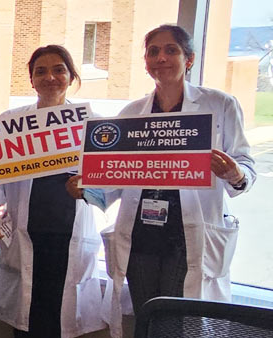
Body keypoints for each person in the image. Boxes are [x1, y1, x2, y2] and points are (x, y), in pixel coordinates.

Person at [68, 24, 255, 338]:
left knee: (178, 322)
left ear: (189, 59)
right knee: (148, 316)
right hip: (141, 234)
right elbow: (114, 185)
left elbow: (246, 170)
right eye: (153, 51)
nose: (161, 58)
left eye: (171, 50)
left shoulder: (219, 104)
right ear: (145, 61)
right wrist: (87, 190)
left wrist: (234, 174)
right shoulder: (131, 113)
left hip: (188, 235)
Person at [0, 45, 107, 338]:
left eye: (59, 69)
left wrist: (89, 187)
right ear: (31, 80)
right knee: (28, 318)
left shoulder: (93, 124)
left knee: (59, 319)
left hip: (70, 235)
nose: (50, 77)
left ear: (71, 76)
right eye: (41, 71)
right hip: (28, 233)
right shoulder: (12, 122)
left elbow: (110, 186)